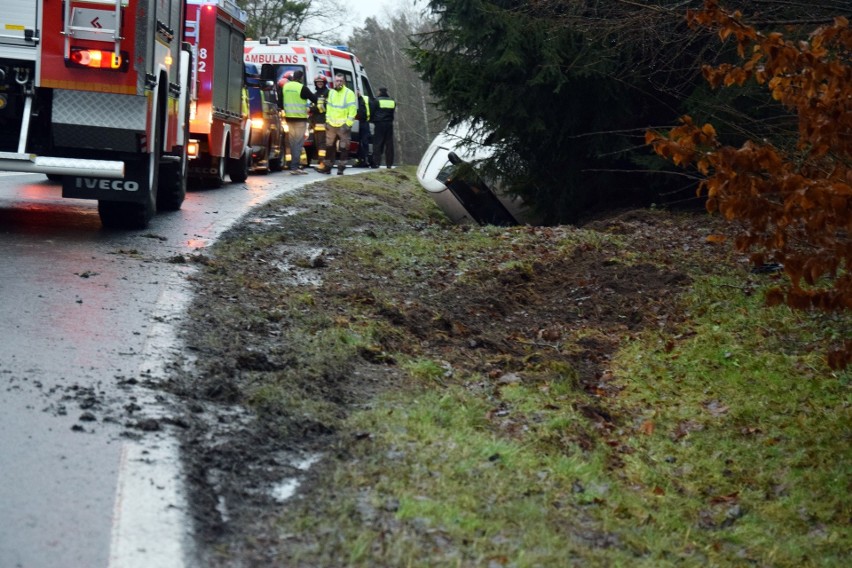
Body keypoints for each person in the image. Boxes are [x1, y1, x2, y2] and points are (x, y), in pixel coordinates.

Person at [317, 74, 357, 175]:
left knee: (344, 147)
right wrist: (327, 121)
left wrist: (348, 124)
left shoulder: (349, 93)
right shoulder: (331, 92)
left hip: (343, 125)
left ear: (343, 82)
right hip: (331, 124)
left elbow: (352, 111)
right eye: (336, 81)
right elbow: (329, 108)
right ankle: (328, 167)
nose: (338, 83)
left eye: (340, 81)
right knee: (329, 147)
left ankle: (341, 167)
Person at [280, 69, 317, 174]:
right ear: (301, 78)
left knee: (292, 143)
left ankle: (293, 165)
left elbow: (280, 103)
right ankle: (294, 167)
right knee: (298, 143)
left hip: (289, 118)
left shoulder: (285, 87)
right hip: (300, 119)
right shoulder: (302, 88)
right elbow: (314, 99)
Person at [370, 87, 396, 168]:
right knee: (389, 144)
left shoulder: (376, 101)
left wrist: (372, 120)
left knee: (377, 143)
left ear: (379, 92)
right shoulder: (392, 101)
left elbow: (372, 112)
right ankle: (389, 164)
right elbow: (392, 112)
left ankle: (376, 162)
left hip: (379, 124)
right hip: (389, 124)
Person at [310, 74, 330, 167]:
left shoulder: (327, 93)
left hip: (323, 122)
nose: (319, 84)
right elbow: (311, 105)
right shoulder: (315, 94)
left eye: (321, 82)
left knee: (322, 143)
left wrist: (313, 108)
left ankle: (322, 160)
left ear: (324, 83)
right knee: (317, 143)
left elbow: (324, 107)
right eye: (318, 82)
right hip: (315, 122)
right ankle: (320, 159)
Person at [354, 91, 373, 167]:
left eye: (358, 90)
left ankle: (365, 160)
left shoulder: (366, 99)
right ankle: (360, 160)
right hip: (355, 122)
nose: (357, 92)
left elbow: (372, 107)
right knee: (357, 142)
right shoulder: (351, 99)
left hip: (364, 122)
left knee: (365, 142)